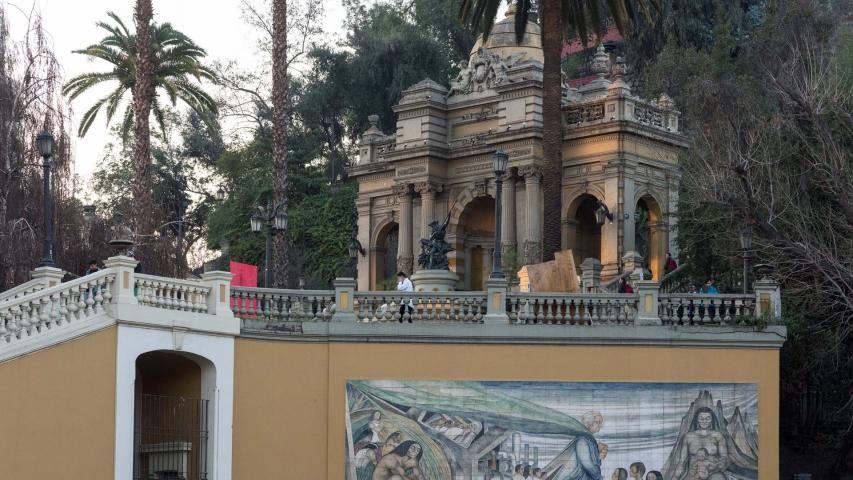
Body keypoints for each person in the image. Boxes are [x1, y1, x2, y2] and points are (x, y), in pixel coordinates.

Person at [672, 407, 729, 480]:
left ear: (712, 420)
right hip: (693, 474)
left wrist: (712, 467)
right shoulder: (689, 436)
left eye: (708, 418)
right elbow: (682, 462)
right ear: (697, 420)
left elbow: (724, 458)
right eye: (701, 418)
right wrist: (675, 477)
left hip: (713, 473)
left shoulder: (717, 435)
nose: (704, 421)